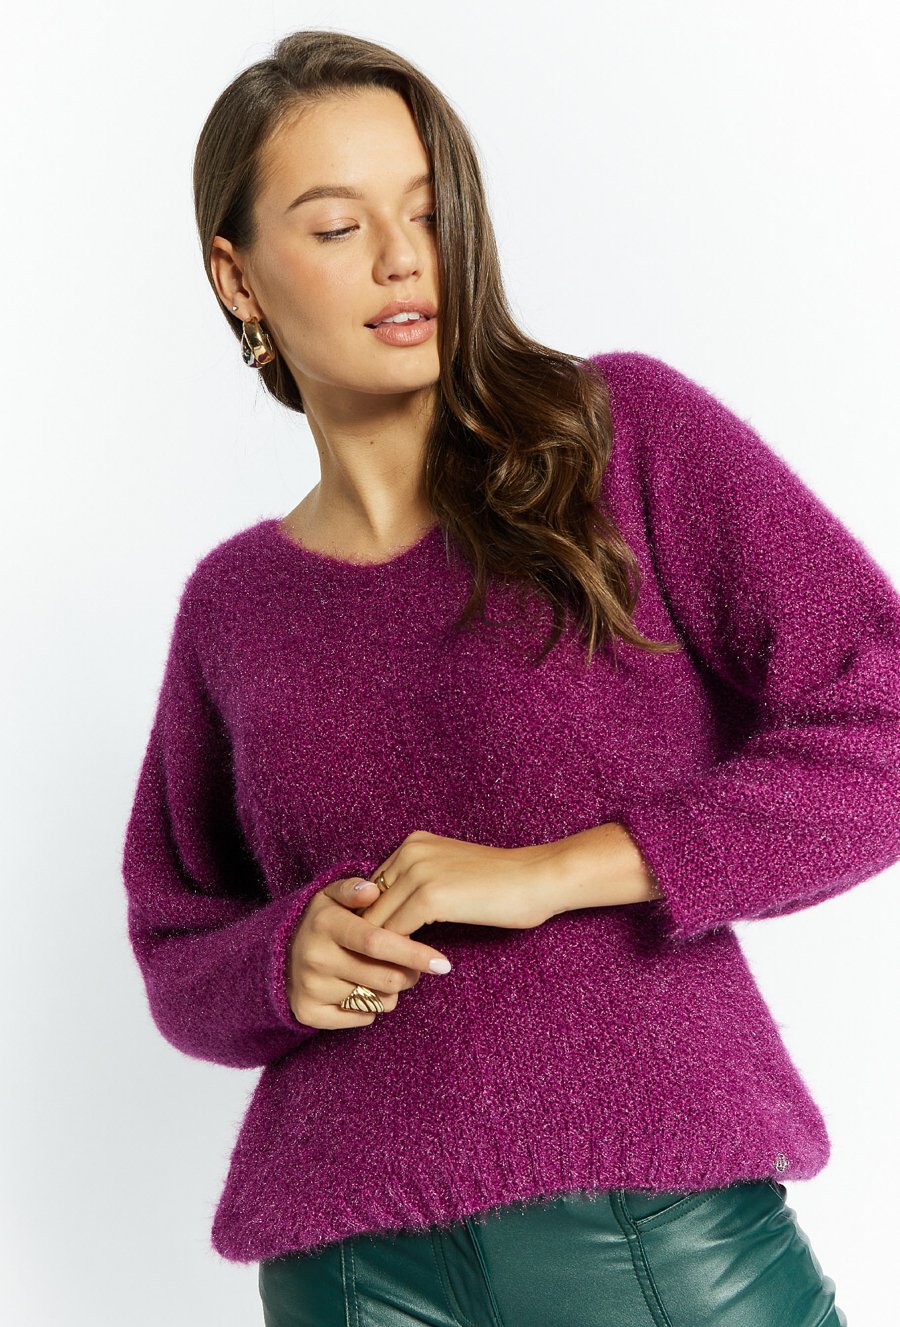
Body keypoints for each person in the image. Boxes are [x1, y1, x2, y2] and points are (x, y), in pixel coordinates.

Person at [119, 28, 899, 1327]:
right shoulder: (235, 605)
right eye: (337, 225)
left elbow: (883, 717)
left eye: (428, 212)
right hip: (350, 1268)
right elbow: (177, 942)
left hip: (651, 1234)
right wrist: (283, 961)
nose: (401, 257)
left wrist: (550, 872)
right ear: (237, 275)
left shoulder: (619, 442)